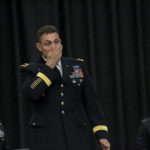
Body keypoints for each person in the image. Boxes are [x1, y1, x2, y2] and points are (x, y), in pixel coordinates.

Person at [20, 25, 110, 150]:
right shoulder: (30, 69)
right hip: (46, 138)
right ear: (39, 47)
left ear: (61, 43)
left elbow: (92, 103)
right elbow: (32, 93)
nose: (53, 47)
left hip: (75, 136)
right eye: (48, 44)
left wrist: (101, 134)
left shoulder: (76, 65)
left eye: (56, 42)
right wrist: (49, 65)